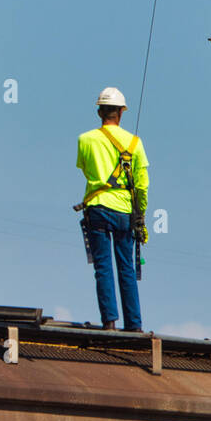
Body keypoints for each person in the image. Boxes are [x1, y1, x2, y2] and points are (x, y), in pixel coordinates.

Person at [75, 87, 150, 332]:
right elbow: (141, 186)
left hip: (97, 207)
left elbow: (86, 171)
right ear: (121, 113)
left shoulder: (85, 139)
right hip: (124, 211)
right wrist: (141, 219)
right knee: (126, 267)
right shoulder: (135, 144)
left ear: (99, 112)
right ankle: (135, 325)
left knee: (103, 266)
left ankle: (109, 322)